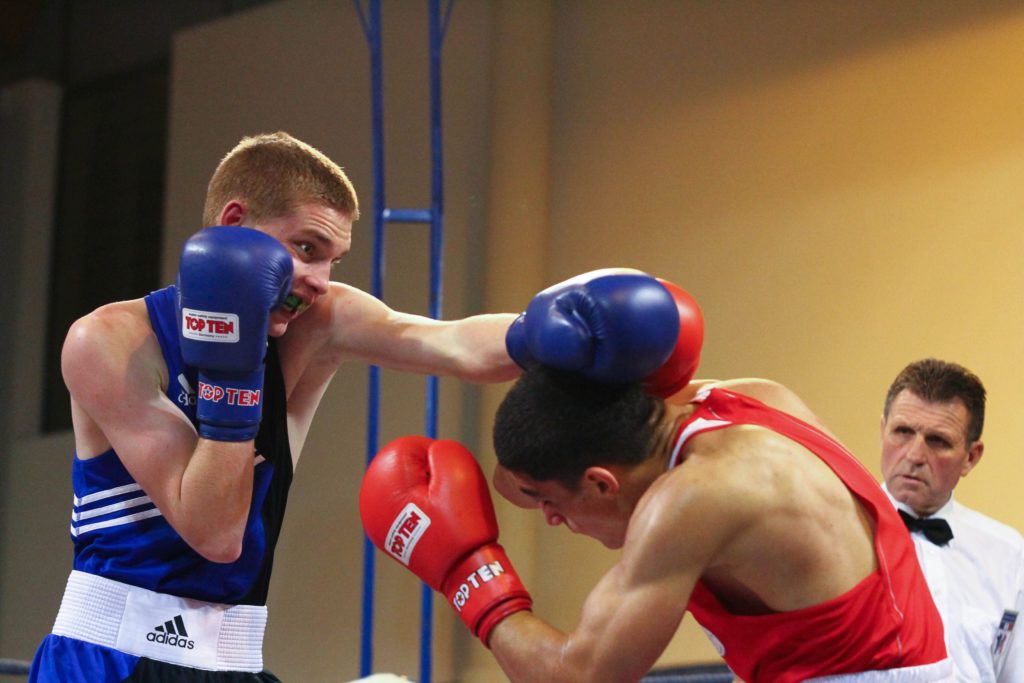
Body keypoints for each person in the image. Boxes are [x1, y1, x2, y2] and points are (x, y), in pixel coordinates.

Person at [28, 131, 520, 683]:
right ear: (234, 226)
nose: (318, 282)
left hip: (237, 661)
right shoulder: (111, 342)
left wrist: (566, 330)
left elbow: (460, 346)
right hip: (107, 662)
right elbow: (214, 534)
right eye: (307, 248)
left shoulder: (316, 323)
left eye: (333, 260)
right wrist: (233, 367)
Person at [360, 269, 953, 683]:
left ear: (600, 482)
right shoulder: (739, 400)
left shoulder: (695, 500)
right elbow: (523, 468)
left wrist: (471, 576)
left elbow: (580, 677)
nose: (548, 519)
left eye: (553, 506)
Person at [880, 358, 1024, 682]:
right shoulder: (833, 532)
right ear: (882, 430)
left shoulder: (1008, 553)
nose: (914, 455)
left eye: (938, 441)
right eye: (902, 432)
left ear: (971, 457)